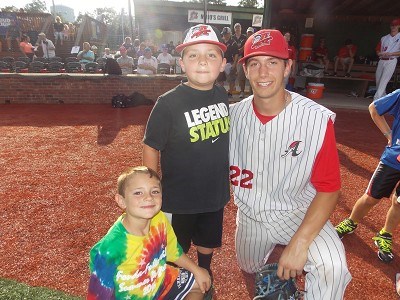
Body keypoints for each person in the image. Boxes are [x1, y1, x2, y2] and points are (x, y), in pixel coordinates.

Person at [230, 29, 351, 299]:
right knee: (249, 267)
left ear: (288, 67)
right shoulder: (232, 116)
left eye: (272, 62)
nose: (263, 73)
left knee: (332, 266)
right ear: (246, 71)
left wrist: (300, 242)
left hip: (297, 212)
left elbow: (329, 188)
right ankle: (273, 262)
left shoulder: (315, 120)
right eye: (255, 63)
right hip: (250, 214)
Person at [142, 24, 230, 290]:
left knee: (207, 240)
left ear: (223, 64)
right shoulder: (168, 103)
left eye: (211, 55)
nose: (202, 61)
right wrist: (152, 188)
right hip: (178, 197)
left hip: (213, 193)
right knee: (172, 246)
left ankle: (205, 275)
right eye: (193, 55)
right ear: (181, 63)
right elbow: (151, 146)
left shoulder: (222, 95)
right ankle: (170, 283)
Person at [87, 166, 211, 299]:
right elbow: (98, 295)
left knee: (201, 282)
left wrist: (196, 269)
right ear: (121, 201)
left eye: (155, 191)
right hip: (132, 296)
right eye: (138, 193)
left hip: (159, 281)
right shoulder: (110, 248)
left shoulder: (160, 218)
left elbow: (172, 250)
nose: (149, 197)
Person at [335, 89, 400, 263]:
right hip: (393, 160)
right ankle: (351, 222)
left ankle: (385, 234)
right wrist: (388, 134)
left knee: (399, 202)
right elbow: (374, 108)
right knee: (371, 197)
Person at [373, 18, 400, 100]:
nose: (393, 27)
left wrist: (391, 53)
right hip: (382, 60)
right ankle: (384, 98)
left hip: (391, 60)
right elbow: (377, 49)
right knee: (378, 80)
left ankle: (376, 100)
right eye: (392, 25)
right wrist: (379, 53)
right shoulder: (384, 38)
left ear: (399, 26)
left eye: (395, 25)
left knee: (384, 81)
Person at [217, 26, 238, 97]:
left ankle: (230, 93)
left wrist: (234, 64)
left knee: (230, 79)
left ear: (229, 34)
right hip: (221, 62)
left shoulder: (233, 43)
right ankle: (221, 92)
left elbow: (236, 54)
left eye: (226, 34)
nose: (224, 35)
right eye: (224, 34)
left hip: (229, 62)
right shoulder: (221, 42)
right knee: (220, 78)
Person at [232, 23, 248, 98]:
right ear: (234, 29)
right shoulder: (232, 37)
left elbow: (245, 46)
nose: (237, 29)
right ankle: (232, 90)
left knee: (241, 75)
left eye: (238, 27)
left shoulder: (244, 37)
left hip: (241, 57)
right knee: (231, 75)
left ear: (241, 28)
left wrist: (238, 51)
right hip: (232, 58)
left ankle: (242, 91)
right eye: (236, 28)